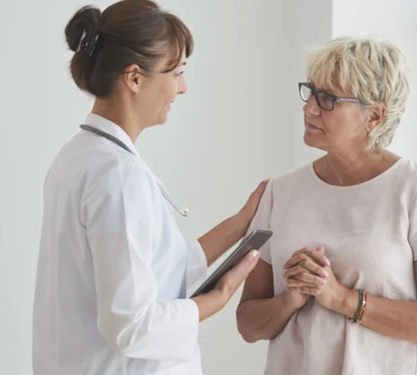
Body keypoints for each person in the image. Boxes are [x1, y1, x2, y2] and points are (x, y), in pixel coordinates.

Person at [32, 1, 266, 375]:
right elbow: (131, 325)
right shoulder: (117, 175)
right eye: (176, 72)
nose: (183, 87)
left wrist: (242, 222)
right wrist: (217, 299)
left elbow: (159, 272)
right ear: (135, 78)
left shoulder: (78, 156)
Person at [236, 36, 417, 375]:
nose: (309, 108)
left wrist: (341, 298)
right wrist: (291, 298)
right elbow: (247, 325)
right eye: (311, 92)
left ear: (374, 116)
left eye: (328, 99)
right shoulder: (279, 191)